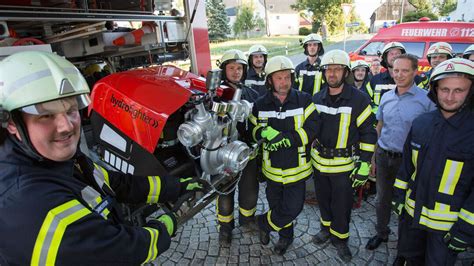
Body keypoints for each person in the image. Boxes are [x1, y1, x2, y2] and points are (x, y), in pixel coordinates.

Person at [0, 51, 204, 264]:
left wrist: (175, 187)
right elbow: (120, 253)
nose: (66, 126)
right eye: (46, 115)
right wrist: (164, 227)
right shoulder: (28, 204)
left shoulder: (58, 161)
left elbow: (116, 183)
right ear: (13, 124)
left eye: (70, 110)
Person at [392, 57, 474, 265]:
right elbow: (407, 168)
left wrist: (465, 230)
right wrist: (399, 196)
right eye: (444, 89)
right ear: (435, 90)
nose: (450, 97)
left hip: (447, 228)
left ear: (471, 92)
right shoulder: (421, 123)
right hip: (413, 219)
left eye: (459, 90)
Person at [311, 49, 377, 262]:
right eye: (328, 69)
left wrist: (365, 164)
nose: (332, 73)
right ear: (324, 73)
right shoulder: (317, 98)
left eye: (337, 69)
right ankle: (325, 229)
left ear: (345, 72)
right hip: (319, 163)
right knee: (323, 200)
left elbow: (368, 133)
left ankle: (340, 239)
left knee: (341, 205)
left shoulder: (359, 100)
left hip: (344, 166)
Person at [365, 54, 436, 250]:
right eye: (396, 70)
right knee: (382, 200)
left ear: (415, 72)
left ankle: (406, 245)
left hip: (410, 161)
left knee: (407, 202)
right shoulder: (386, 97)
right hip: (384, 155)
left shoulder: (426, 100)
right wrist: (373, 157)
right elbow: (379, 127)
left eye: (405, 70)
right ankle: (382, 233)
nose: (399, 74)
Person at [249, 55, 319, 255]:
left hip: (297, 169)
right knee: (276, 205)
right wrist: (262, 132)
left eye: (287, 77)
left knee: (293, 207)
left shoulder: (304, 99)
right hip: (271, 170)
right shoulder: (260, 103)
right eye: (279, 78)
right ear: (270, 80)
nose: (284, 82)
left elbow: (314, 127)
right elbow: (251, 130)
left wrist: (289, 139)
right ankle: (284, 238)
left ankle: (264, 223)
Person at [216, 49, 260, 244]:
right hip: (224, 156)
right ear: (224, 70)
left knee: (249, 190)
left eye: (239, 68)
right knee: (225, 192)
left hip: (248, 154)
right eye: (231, 68)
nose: (236, 72)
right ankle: (225, 228)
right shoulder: (217, 95)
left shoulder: (252, 93)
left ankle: (247, 219)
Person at [366, 42, 423, 114]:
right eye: (391, 54)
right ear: (385, 58)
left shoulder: (415, 79)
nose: (395, 56)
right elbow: (367, 102)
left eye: (398, 53)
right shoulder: (374, 80)